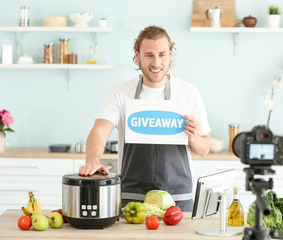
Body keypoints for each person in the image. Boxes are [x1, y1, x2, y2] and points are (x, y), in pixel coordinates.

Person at [79, 25, 211, 211]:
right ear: (137, 55)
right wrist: (93, 160)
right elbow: (101, 129)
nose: (156, 62)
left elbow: (204, 148)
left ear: (171, 54)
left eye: (162, 54)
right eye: (149, 55)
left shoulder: (189, 94)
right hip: (132, 195)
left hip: (179, 197)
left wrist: (193, 137)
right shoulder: (119, 92)